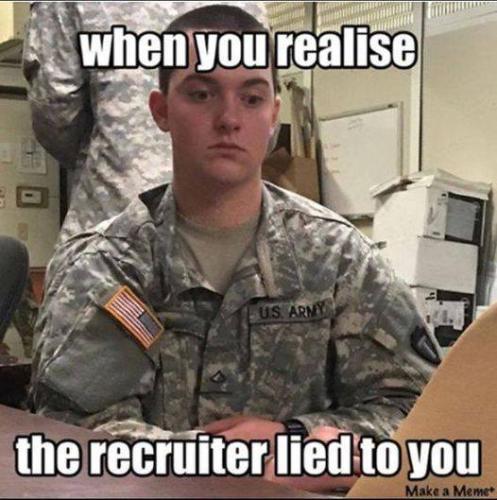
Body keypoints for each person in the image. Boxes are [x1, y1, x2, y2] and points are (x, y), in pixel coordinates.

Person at [30, 4, 440, 487]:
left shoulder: (338, 258)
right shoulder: (106, 267)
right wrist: (236, 465)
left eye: (251, 98)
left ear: (273, 116)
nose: (228, 118)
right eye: (201, 94)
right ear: (161, 111)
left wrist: (294, 439)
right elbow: (78, 439)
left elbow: (423, 413)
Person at [22, 1, 266, 244]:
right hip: (226, 229)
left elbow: (56, 113)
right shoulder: (251, 5)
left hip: (115, 223)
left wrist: (110, 152)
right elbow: (259, 124)